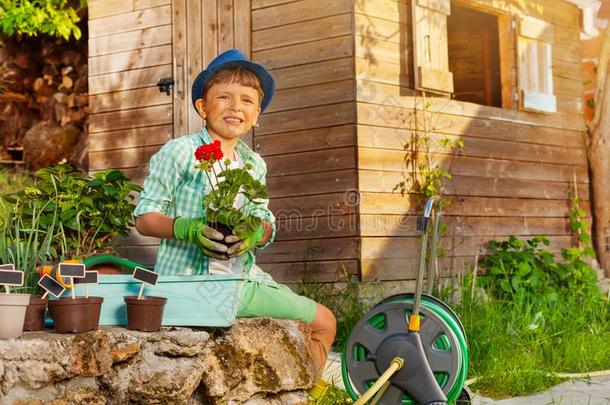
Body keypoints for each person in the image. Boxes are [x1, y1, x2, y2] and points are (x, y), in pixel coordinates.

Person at [133, 49, 336, 375]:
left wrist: (256, 232)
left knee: (312, 322)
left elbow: (265, 221)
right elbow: (145, 218)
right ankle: (309, 393)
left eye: (246, 101)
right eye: (224, 97)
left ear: (257, 114)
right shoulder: (181, 152)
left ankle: (300, 391)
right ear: (202, 107)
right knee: (325, 322)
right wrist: (188, 228)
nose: (235, 107)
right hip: (191, 282)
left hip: (240, 279)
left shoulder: (253, 164)